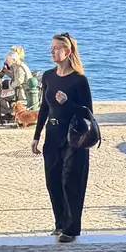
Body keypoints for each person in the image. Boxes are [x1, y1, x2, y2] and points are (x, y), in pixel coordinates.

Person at [32, 32, 93, 241]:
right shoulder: (48, 76)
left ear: (67, 52)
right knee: (53, 182)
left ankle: (71, 229)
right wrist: (36, 135)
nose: (52, 51)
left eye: (56, 48)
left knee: (70, 182)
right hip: (52, 135)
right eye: (51, 48)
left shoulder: (79, 80)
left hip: (73, 137)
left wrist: (68, 103)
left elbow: (87, 113)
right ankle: (59, 223)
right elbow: (43, 107)